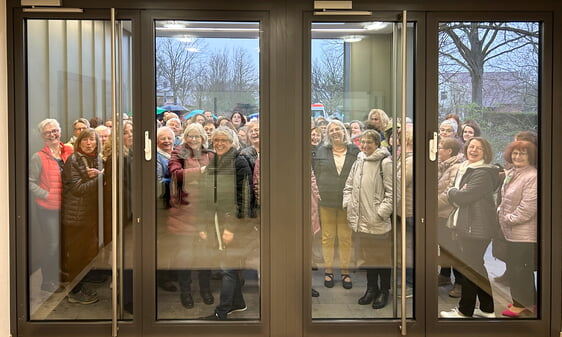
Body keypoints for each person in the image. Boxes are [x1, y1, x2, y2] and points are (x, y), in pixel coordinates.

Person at [440, 137, 502, 318]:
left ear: (486, 152)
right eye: (471, 146)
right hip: (470, 226)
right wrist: (456, 191)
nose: (473, 150)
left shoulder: (481, 172)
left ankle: (465, 311)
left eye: (479, 148)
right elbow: (459, 192)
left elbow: (462, 197)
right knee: (476, 267)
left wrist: (453, 192)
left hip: (477, 228)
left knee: (469, 268)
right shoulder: (467, 168)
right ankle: (486, 308)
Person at [200, 127, 255, 320]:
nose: (219, 143)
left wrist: (232, 228)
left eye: (224, 140)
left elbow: (245, 197)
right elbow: (206, 195)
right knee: (227, 265)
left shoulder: (240, 162)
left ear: (232, 142)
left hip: (232, 225)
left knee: (227, 268)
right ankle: (237, 303)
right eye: (216, 140)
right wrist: (204, 225)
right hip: (215, 223)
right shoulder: (214, 162)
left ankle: (222, 312)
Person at [343, 130, 393, 309]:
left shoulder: (385, 163)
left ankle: (384, 291)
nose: (364, 145)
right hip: (360, 220)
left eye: (369, 143)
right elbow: (349, 185)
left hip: (377, 221)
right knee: (368, 259)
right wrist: (348, 203)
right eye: (362, 142)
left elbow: (393, 193)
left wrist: (380, 213)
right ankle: (371, 289)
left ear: (377, 144)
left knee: (382, 259)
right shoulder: (359, 160)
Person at [167, 123, 214, 309]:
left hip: (205, 213)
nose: (194, 139)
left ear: (203, 138)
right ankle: (185, 292)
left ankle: (205, 289)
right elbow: (176, 174)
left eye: (197, 136)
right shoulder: (179, 153)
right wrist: (201, 172)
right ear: (185, 138)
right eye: (190, 136)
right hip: (183, 212)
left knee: (205, 256)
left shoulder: (209, 154)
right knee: (185, 256)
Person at [313, 120, 360, 290]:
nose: (335, 132)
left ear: (344, 131)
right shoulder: (322, 150)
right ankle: (329, 270)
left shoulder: (355, 150)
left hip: (347, 201)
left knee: (345, 238)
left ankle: (345, 270)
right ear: (328, 134)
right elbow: (316, 174)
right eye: (331, 130)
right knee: (328, 237)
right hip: (326, 200)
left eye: (338, 129)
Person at [29, 119, 74, 293]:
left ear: (60, 132)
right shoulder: (38, 157)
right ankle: (48, 280)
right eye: (48, 133)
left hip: (68, 206)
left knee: (65, 242)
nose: (52, 135)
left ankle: (61, 274)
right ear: (42, 136)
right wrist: (47, 195)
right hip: (48, 209)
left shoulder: (69, 150)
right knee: (52, 244)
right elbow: (30, 182)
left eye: (55, 131)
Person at [61, 128, 104, 304]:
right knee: (76, 255)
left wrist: (99, 176)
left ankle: (80, 283)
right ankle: (73, 292)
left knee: (87, 253)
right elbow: (78, 189)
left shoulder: (97, 158)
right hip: (76, 216)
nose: (89, 143)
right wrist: (100, 178)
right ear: (79, 142)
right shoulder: (74, 160)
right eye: (85, 140)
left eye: (92, 140)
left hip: (90, 216)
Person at [498, 141, 538, 318]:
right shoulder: (514, 172)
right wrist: (501, 211)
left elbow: (528, 207)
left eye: (522, 153)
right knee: (520, 268)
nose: (517, 157)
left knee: (519, 269)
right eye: (514, 153)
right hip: (512, 230)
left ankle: (520, 304)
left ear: (530, 156)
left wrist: (508, 219)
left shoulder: (532, 176)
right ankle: (530, 303)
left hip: (523, 232)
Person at [436, 137, 464, 297]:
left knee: (453, 249)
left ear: (449, 151)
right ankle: (445, 275)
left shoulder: (456, 168)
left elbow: (449, 193)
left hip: (447, 214)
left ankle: (459, 283)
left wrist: (432, 204)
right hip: (440, 214)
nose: (438, 150)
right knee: (444, 247)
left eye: (440, 148)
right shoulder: (444, 165)